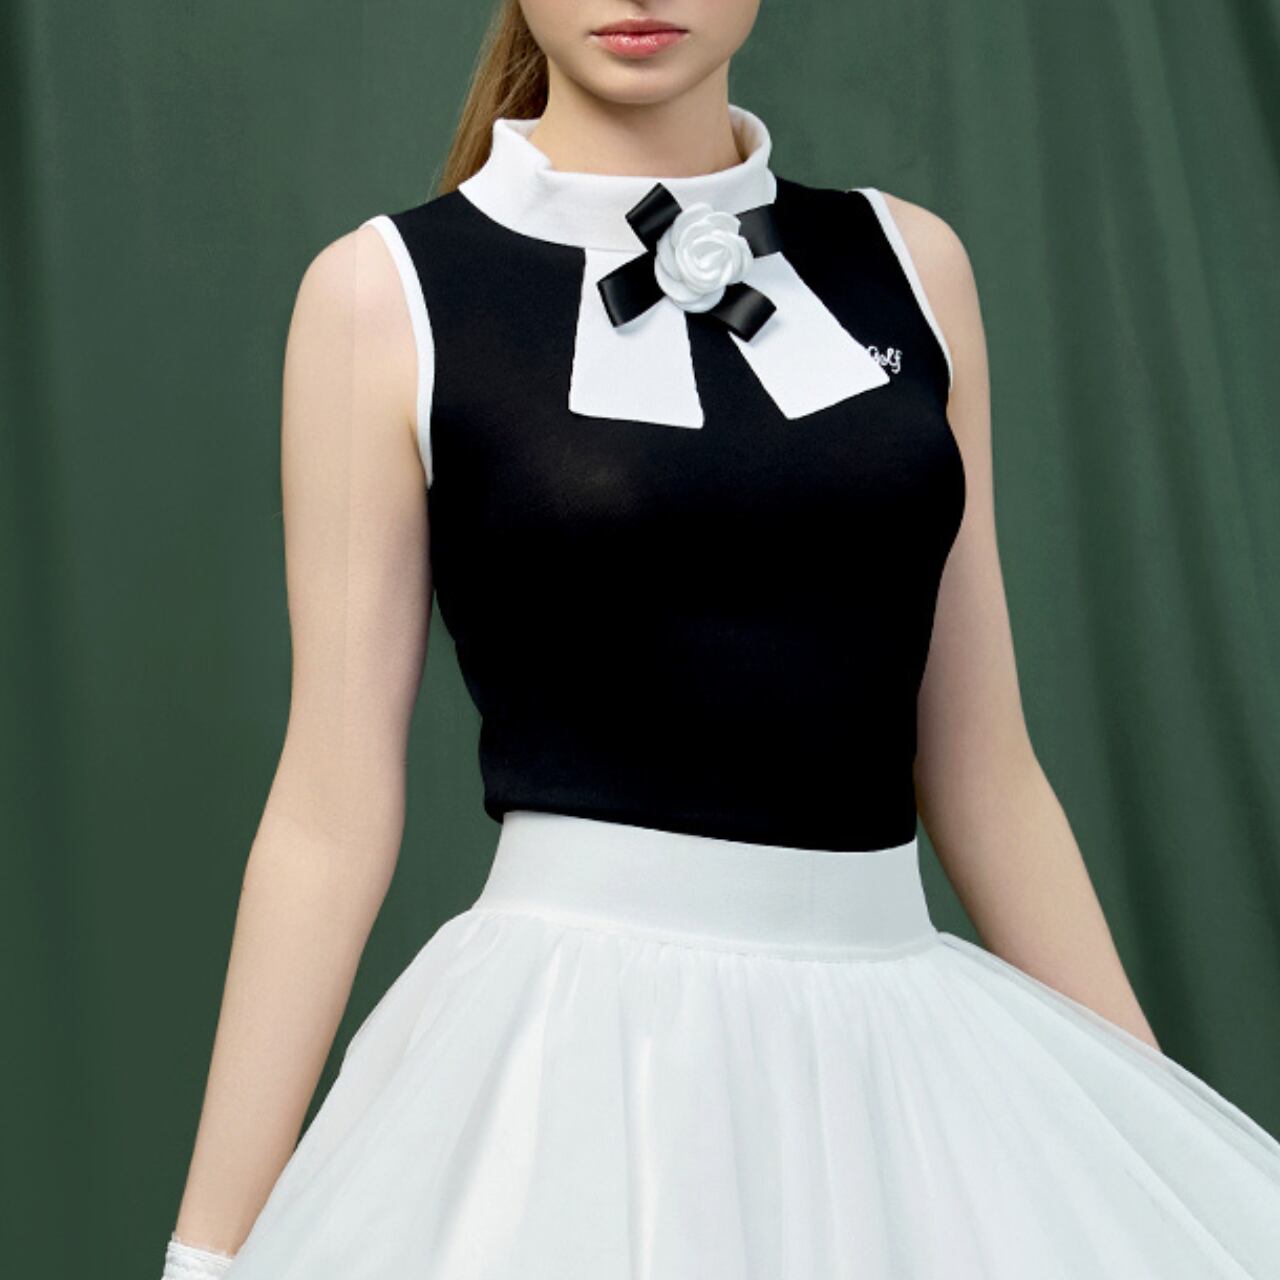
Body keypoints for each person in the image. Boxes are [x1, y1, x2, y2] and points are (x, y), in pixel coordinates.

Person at [160, 2, 1280, 1276]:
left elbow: (984, 770)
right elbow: (328, 811)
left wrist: (1154, 1155)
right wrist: (208, 1252)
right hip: (571, 1066)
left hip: (900, 1060)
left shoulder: (913, 264)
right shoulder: (382, 293)